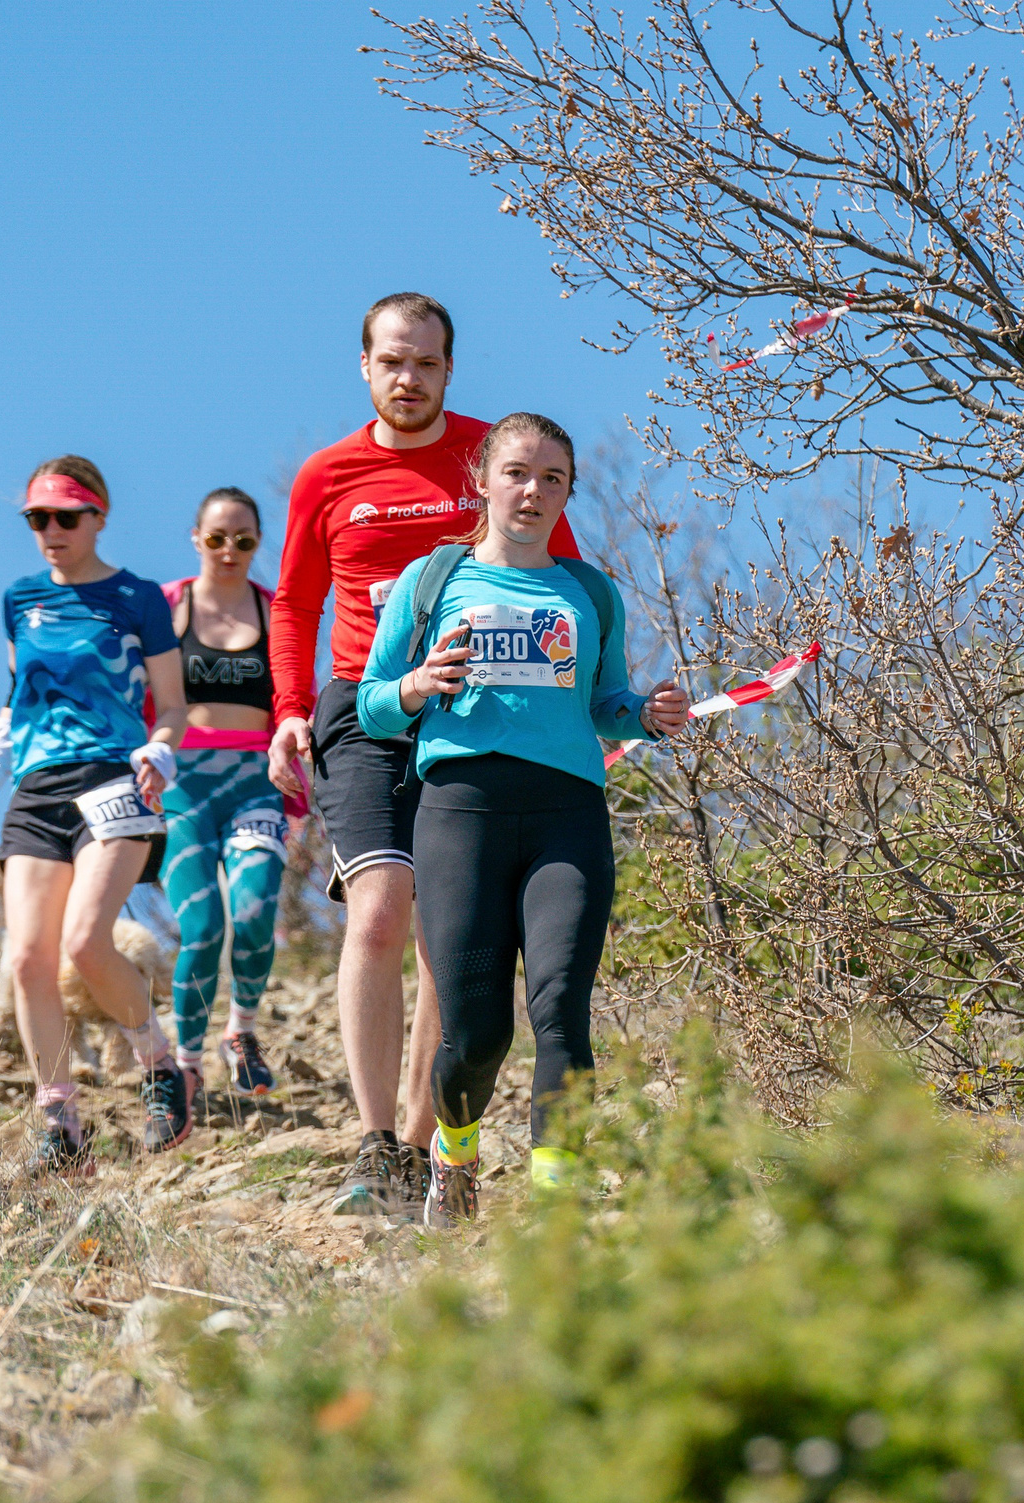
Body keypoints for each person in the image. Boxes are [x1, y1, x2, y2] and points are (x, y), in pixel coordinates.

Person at [267, 292, 583, 1218]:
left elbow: (559, 578)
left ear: (451, 371)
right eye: (393, 362)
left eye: (428, 364)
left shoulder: (495, 460)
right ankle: (373, 1142)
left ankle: (420, 1143)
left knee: (454, 937)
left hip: (480, 719)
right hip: (365, 711)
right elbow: (292, 602)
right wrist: (288, 711)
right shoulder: (328, 475)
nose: (410, 379)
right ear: (365, 367)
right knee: (379, 911)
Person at [357, 413, 691, 1226]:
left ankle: (554, 1210)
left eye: (552, 479)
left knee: (561, 1012)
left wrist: (648, 712)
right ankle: (455, 1151)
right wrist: (419, 683)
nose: (533, 491)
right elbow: (371, 707)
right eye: (516, 472)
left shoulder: (589, 591)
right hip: (460, 815)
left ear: (568, 491)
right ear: (482, 477)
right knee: (474, 1033)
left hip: (566, 816)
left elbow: (607, 704)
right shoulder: (433, 580)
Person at [0, 456, 195, 1174]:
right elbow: (18, 704)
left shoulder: (137, 597)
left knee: (84, 942)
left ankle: (159, 1065)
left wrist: (160, 754)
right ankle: (60, 1125)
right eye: (37, 518)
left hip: (115, 778)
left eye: (66, 516)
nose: (50, 530)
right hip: (38, 789)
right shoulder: (20, 599)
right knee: (25, 958)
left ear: (99, 516)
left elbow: (170, 704)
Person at [156, 487, 291, 1101]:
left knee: (256, 909)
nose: (229, 551)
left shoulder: (275, 610)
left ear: (259, 544)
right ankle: (184, 1064)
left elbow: (295, 697)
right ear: (195, 538)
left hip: (254, 782)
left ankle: (240, 1032)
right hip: (182, 786)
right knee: (204, 927)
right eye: (216, 539)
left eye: (244, 540)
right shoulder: (167, 607)